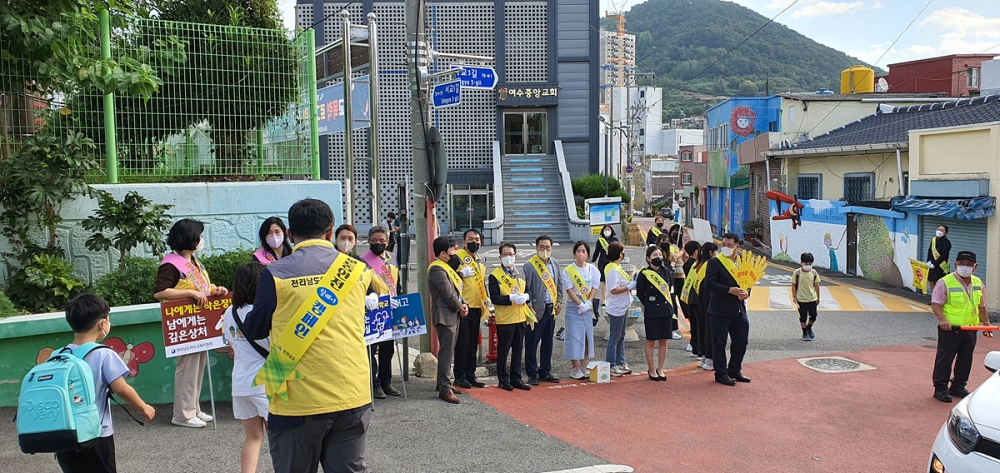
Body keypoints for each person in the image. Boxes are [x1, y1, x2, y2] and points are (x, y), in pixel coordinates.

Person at [243, 198, 375, 473]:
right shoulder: (359, 270)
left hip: (296, 401)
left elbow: (255, 330)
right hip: (352, 392)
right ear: (330, 232)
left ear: (289, 234)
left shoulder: (274, 274)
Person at [56, 294, 156, 473]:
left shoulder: (58, 355)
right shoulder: (103, 354)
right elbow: (121, 388)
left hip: (64, 433)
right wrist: (143, 407)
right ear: (102, 324)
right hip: (96, 433)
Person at [153, 218, 227, 428]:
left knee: (197, 366)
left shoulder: (194, 261)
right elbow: (161, 292)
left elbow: (202, 287)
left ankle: (193, 408)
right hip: (183, 323)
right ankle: (182, 414)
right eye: (199, 235)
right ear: (190, 238)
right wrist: (190, 293)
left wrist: (215, 289)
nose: (202, 239)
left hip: (197, 322)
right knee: (187, 367)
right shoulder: (171, 264)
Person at [221, 263, 269, 473]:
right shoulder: (264, 313)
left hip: (240, 383)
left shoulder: (229, 312)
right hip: (267, 383)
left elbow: (231, 347)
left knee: (253, 437)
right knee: (280, 439)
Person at [930, 251, 993, 402]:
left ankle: (958, 386)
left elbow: (981, 306)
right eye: (961, 264)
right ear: (955, 265)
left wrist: (987, 325)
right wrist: (942, 320)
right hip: (951, 328)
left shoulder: (978, 283)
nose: (965, 267)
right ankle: (940, 388)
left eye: (969, 264)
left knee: (966, 359)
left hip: (970, 328)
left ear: (975, 267)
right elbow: (936, 303)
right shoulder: (945, 282)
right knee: (945, 358)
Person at [704, 233, 751, 386]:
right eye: (723, 244)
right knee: (719, 344)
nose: (725, 247)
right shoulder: (715, 262)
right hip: (719, 310)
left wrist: (747, 292)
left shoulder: (742, 262)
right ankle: (721, 373)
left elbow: (749, 281)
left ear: (737, 246)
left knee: (741, 341)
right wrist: (729, 290)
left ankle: (734, 370)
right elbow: (710, 283)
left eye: (729, 245)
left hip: (739, 310)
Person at [427, 236, 468, 404]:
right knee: (446, 352)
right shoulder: (437, 269)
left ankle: (444, 382)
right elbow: (448, 294)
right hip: (444, 315)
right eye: (452, 249)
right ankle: (445, 388)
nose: (454, 253)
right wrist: (460, 306)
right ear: (443, 253)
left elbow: (456, 291)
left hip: (452, 313)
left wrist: (463, 304)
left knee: (449, 351)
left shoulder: (446, 267)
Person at [362, 226, 402, 399]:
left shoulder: (392, 259)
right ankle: (374, 383)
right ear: (369, 241)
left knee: (388, 349)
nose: (378, 243)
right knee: (371, 349)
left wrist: (399, 298)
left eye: (382, 241)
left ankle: (386, 381)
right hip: (372, 310)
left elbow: (396, 283)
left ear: (387, 241)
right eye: (374, 240)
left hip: (390, 309)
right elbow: (363, 286)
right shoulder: (362, 261)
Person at [488, 242, 534, 391]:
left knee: (518, 351)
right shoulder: (495, 275)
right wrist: (510, 298)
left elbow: (528, 290)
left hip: (520, 318)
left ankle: (516, 378)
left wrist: (526, 296)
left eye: (511, 254)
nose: (508, 257)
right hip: (505, 319)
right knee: (503, 351)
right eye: (505, 254)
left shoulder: (520, 272)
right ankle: (503, 379)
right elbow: (494, 298)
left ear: (516, 255)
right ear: (500, 256)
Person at [523, 235, 564, 385]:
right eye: (542, 247)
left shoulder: (555, 263)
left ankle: (545, 371)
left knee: (548, 342)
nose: (545, 250)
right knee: (532, 342)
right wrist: (529, 306)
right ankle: (532, 372)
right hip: (536, 310)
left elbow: (559, 283)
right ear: (536, 248)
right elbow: (526, 287)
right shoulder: (529, 265)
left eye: (547, 247)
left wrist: (560, 300)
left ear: (551, 248)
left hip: (551, 309)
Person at [454, 229, 488, 389]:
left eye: (477, 239)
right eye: (470, 239)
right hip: (463, 306)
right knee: (463, 343)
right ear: (464, 242)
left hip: (477, 306)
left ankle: (470, 374)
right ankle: (459, 376)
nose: (474, 242)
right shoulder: (457, 256)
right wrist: (460, 273)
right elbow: (449, 276)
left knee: (473, 343)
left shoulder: (481, 259)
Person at [562, 241, 601, 379]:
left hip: (588, 306)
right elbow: (569, 290)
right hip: (574, 307)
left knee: (586, 337)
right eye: (578, 251)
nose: (581, 254)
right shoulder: (568, 270)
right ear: (574, 253)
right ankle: (575, 367)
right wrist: (579, 304)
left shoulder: (593, 270)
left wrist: (588, 302)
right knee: (574, 336)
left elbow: (595, 287)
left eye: (584, 251)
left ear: (588, 254)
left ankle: (584, 365)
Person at [637, 246, 674, 380]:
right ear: (648, 258)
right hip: (652, 310)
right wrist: (649, 304)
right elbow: (640, 293)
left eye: (659, 254)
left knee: (664, 340)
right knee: (651, 341)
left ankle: (661, 369)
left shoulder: (667, 271)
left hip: (666, 309)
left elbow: (671, 290)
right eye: (654, 255)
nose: (658, 257)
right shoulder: (644, 273)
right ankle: (651, 369)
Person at [604, 241, 635, 376]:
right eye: (622, 251)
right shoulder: (612, 269)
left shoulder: (616, 267)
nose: (623, 254)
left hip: (623, 306)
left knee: (621, 336)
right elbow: (613, 289)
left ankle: (620, 361)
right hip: (617, 308)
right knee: (614, 337)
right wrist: (629, 286)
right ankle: (611, 364)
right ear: (619, 254)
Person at [694, 243, 718, 371]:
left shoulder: (699, 265)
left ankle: (703, 356)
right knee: (709, 330)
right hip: (708, 301)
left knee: (702, 327)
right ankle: (709, 358)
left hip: (700, 301)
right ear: (711, 253)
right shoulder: (710, 265)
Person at [658, 233, 683, 340]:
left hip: (671, 285)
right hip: (662, 287)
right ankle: (667, 329)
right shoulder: (659, 255)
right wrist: (671, 266)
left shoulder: (669, 253)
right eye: (663, 241)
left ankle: (672, 329)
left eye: (667, 241)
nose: (666, 243)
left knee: (673, 306)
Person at [791, 252, 821, 341]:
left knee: (813, 316)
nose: (808, 265)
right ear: (801, 263)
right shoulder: (797, 273)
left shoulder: (814, 273)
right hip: (801, 299)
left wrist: (818, 297)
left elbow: (817, 285)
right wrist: (794, 297)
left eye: (810, 263)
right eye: (806, 263)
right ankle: (804, 332)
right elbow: (793, 285)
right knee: (802, 317)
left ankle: (809, 328)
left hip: (812, 298)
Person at [592, 224, 618, 321]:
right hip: (602, 262)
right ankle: (605, 299)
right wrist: (593, 261)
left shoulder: (615, 240)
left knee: (612, 280)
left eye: (608, 229)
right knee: (603, 281)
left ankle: (612, 297)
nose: (607, 231)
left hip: (612, 262)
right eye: (605, 229)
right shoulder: (600, 240)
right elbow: (596, 251)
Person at [680, 241, 702, 358]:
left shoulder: (687, 264)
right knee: (699, 323)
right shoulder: (696, 265)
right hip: (697, 298)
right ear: (696, 251)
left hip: (689, 297)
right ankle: (698, 347)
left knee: (694, 323)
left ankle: (694, 345)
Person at [926, 225, 951, 293]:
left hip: (941, 266)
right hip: (932, 264)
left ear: (945, 233)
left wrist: (935, 264)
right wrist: (929, 261)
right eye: (938, 229)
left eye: (942, 230)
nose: (939, 231)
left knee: (941, 283)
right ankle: (934, 297)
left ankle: (940, 297)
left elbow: (944, 256)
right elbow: (930, 250)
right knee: (931, 281)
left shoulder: (946, 242)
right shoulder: (934, 240)